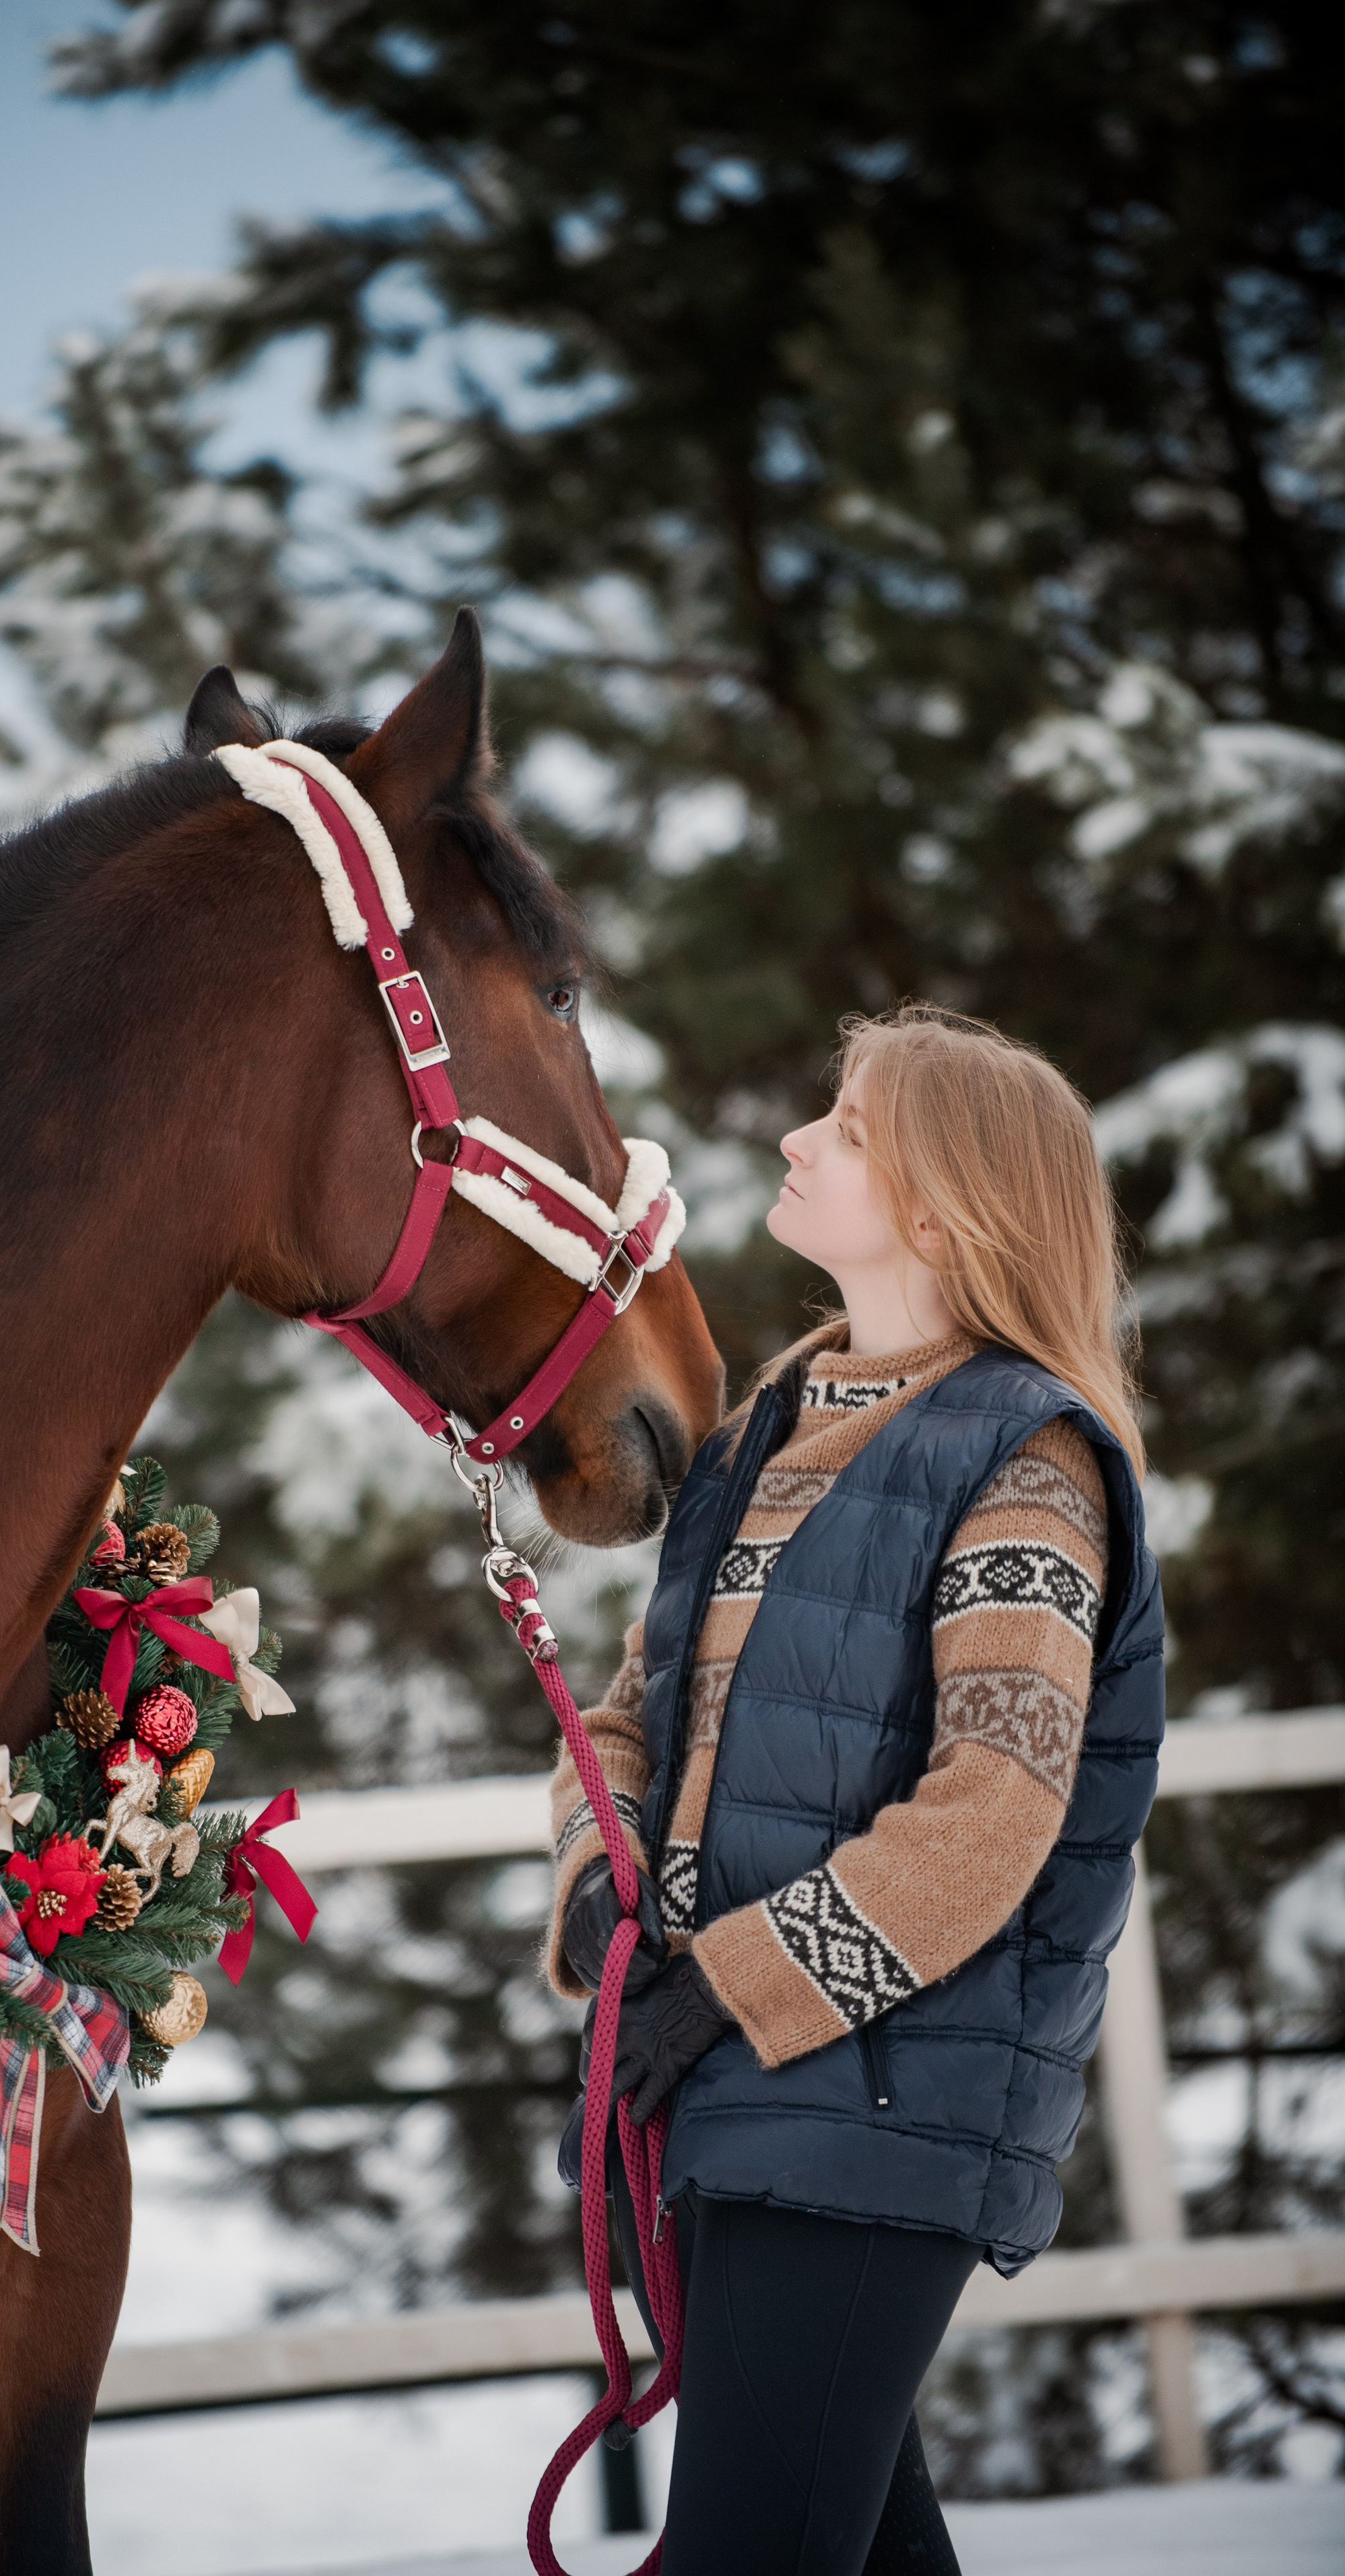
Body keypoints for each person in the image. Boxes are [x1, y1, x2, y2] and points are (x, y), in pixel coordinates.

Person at [545, 1003, 1164, 2575]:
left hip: (875, 2108)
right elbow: (628, 1721)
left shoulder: (1027, 1462)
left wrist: (728, 1989)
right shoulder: (766, 1430)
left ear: (940, 1208)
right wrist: (596, 1880)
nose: (792, 1138)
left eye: (845, 1125)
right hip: (741, 2092)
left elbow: (989, 1822)